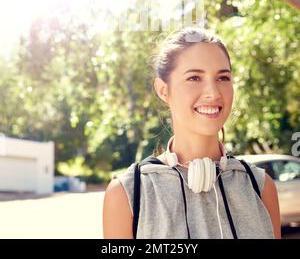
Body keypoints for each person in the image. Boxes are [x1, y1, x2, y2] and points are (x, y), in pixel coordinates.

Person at [103, 26, 281, 239]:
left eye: (223, 78)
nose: (213, 93)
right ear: (163, 90)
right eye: (194, 78)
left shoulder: (260, 186)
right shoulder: (127, 194)